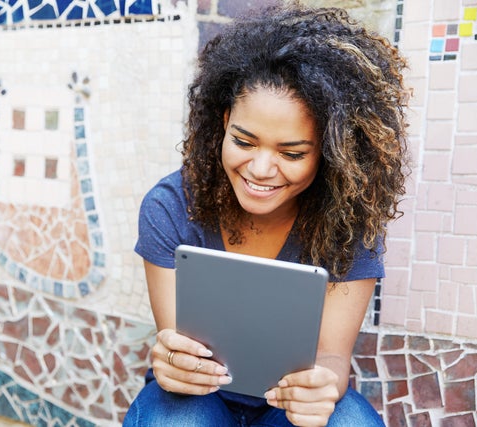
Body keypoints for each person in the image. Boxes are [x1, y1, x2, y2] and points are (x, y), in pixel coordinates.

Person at [124, 1, 409, 426]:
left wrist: (324, 384)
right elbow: (178, 341)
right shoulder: (169, 206)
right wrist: (171, 360)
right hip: (197, 398)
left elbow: (332, 355)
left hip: (288, 405)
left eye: (292, 153)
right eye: (243, 141)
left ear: (330, 154)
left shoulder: (350, 220)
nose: (260, 170)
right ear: (224, 121)